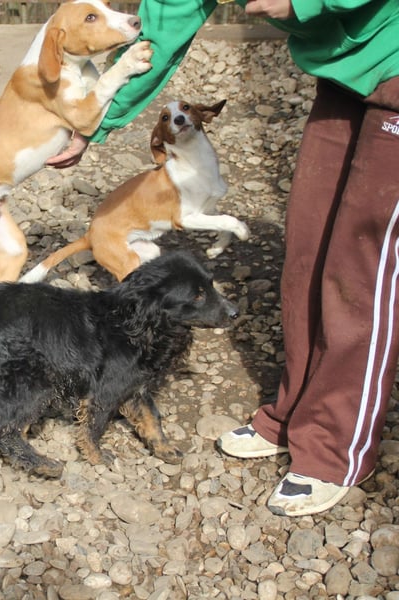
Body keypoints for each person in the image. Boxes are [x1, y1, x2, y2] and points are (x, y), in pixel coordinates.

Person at [48, 0, 399, 516]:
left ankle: (334, 449)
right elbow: (169, 20)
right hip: (344, 72)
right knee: (309, 251)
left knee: (359, 267)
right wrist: (97, 121)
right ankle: (295, 413)